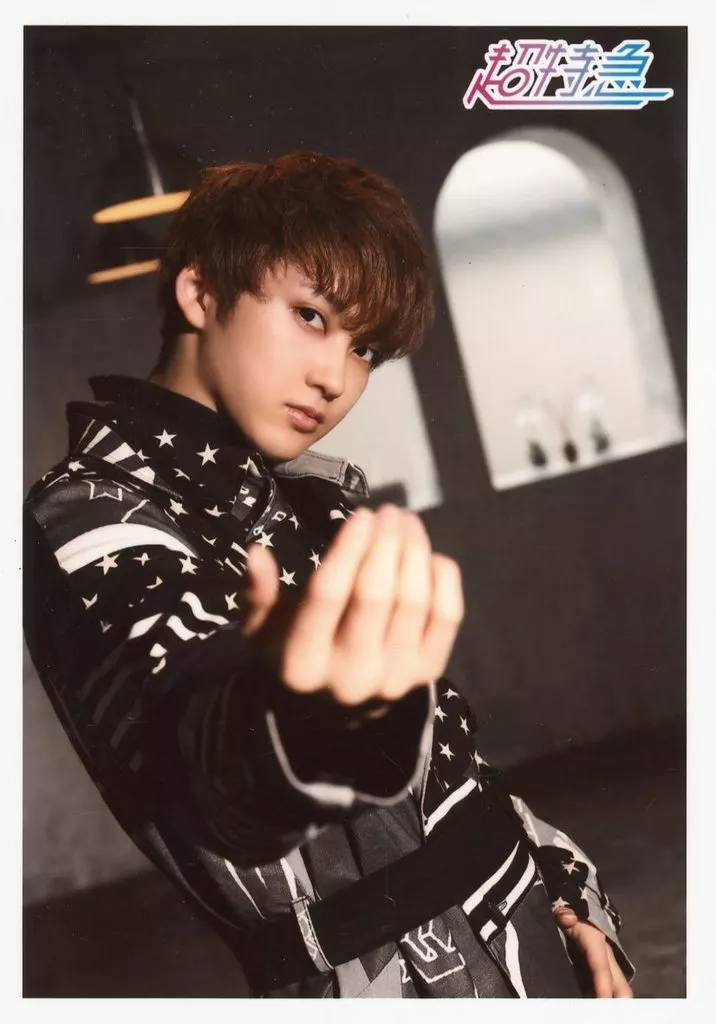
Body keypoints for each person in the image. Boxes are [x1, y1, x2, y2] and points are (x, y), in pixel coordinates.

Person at [24, 151, 634, 998]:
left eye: (366, 348)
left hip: (534, 935)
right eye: (311, 316)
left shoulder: (305, 496)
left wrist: (567, 893)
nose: (336, 378)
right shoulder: (87, 510)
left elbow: (453, 762)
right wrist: (299, 716)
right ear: (199, 292)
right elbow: (210, 747)